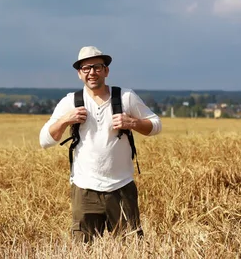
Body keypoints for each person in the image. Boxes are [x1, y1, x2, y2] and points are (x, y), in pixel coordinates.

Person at [39, 46, 162, 243]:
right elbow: (44, 140)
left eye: (97, 67)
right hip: (84, 190)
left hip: (121, 188)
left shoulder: (125, 97)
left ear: (106, 70)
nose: (92, 73)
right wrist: (65, 120)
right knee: (82, 251)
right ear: (79, 74)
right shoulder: (71, 101)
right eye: (86, 68)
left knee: (130, 250)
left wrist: (133, 123)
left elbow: (156, 125)